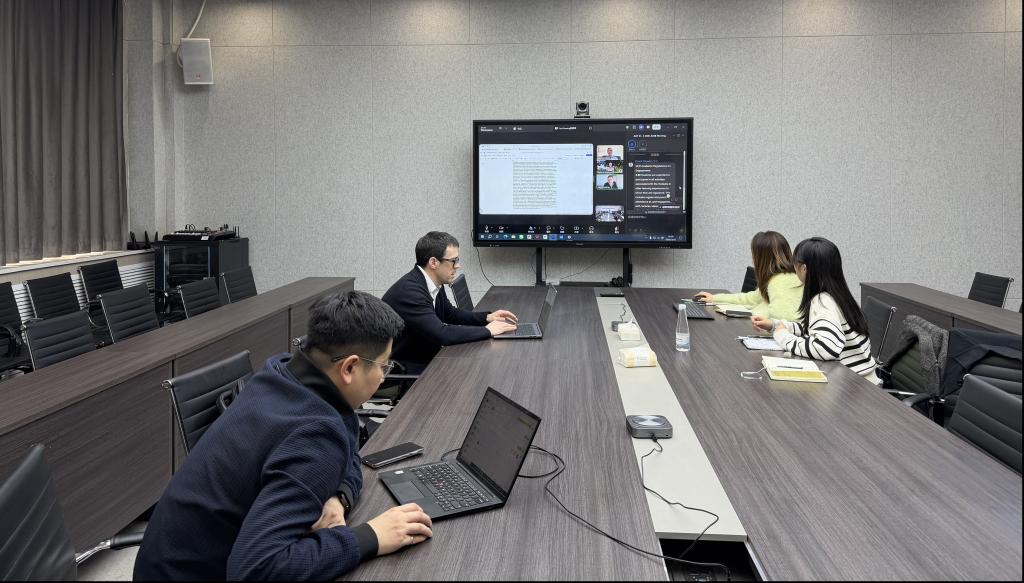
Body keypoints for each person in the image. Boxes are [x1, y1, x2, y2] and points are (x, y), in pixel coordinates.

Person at [133, 291, 434, 580]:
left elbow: (349, 452)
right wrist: (370, 537)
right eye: (383, 366)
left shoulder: (282, 374)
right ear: (349, 367)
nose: (383, 377)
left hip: (166, 561)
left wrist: (338, 497)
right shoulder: (316, 435)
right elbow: (256, 570)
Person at [383, 231, 517, 374]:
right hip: (404, 369)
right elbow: (442, 334)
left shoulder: (431, 281)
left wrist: (486, 318)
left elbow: (450, 314)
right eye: (453, 261)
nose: (457, 266)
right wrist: (488, 330)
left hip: (426, 357)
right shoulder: (410, 292)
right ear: (433, 262)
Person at [751, 237, 880, 383]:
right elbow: (815, 330)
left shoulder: (822, 301)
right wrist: (776, 325)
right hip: (861, 379)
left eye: (795, 263)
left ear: (804, 268)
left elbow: (826, 348)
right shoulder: (837, 294)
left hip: (855, 386)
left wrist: (783, 337)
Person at [695, 231, 802, 320]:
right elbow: (750, 298)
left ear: (761, 258)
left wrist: (756, 317)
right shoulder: (779, 278)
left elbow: (783, 317)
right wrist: (714, 298)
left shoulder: (780, 281)